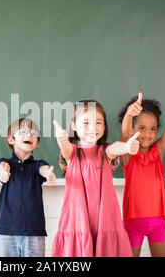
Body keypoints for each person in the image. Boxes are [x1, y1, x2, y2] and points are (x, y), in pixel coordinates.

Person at [51, 100, 138, 257]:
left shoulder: (105, 151)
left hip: (105, 220)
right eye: (86, 122)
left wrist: (126, 147)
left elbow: (115, 148)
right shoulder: (72, 152)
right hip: (77, 220)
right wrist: (61, 141)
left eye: (98, 123)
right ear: (74, 126)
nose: (93, 128)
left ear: (104, 127)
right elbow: (65, 150)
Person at [118, 92, 165, 257]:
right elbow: (124, 135)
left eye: (153, 129)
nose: (148, 134)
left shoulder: (158, 151)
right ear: (133, 129)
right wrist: (129, 113)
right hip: (132, 222)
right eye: (141, 128)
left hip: (159, 222)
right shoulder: (128, 153)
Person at [0, 118, 56, 257]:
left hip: (34, 233)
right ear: (11, 139)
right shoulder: (4, 162)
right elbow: (3, 167)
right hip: (5, 231)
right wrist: (3, 172)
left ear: (37, 143)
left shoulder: (38, 164)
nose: (29, 135)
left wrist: (49, 174)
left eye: (33, 133)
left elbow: (44, 169)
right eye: (23, 132)